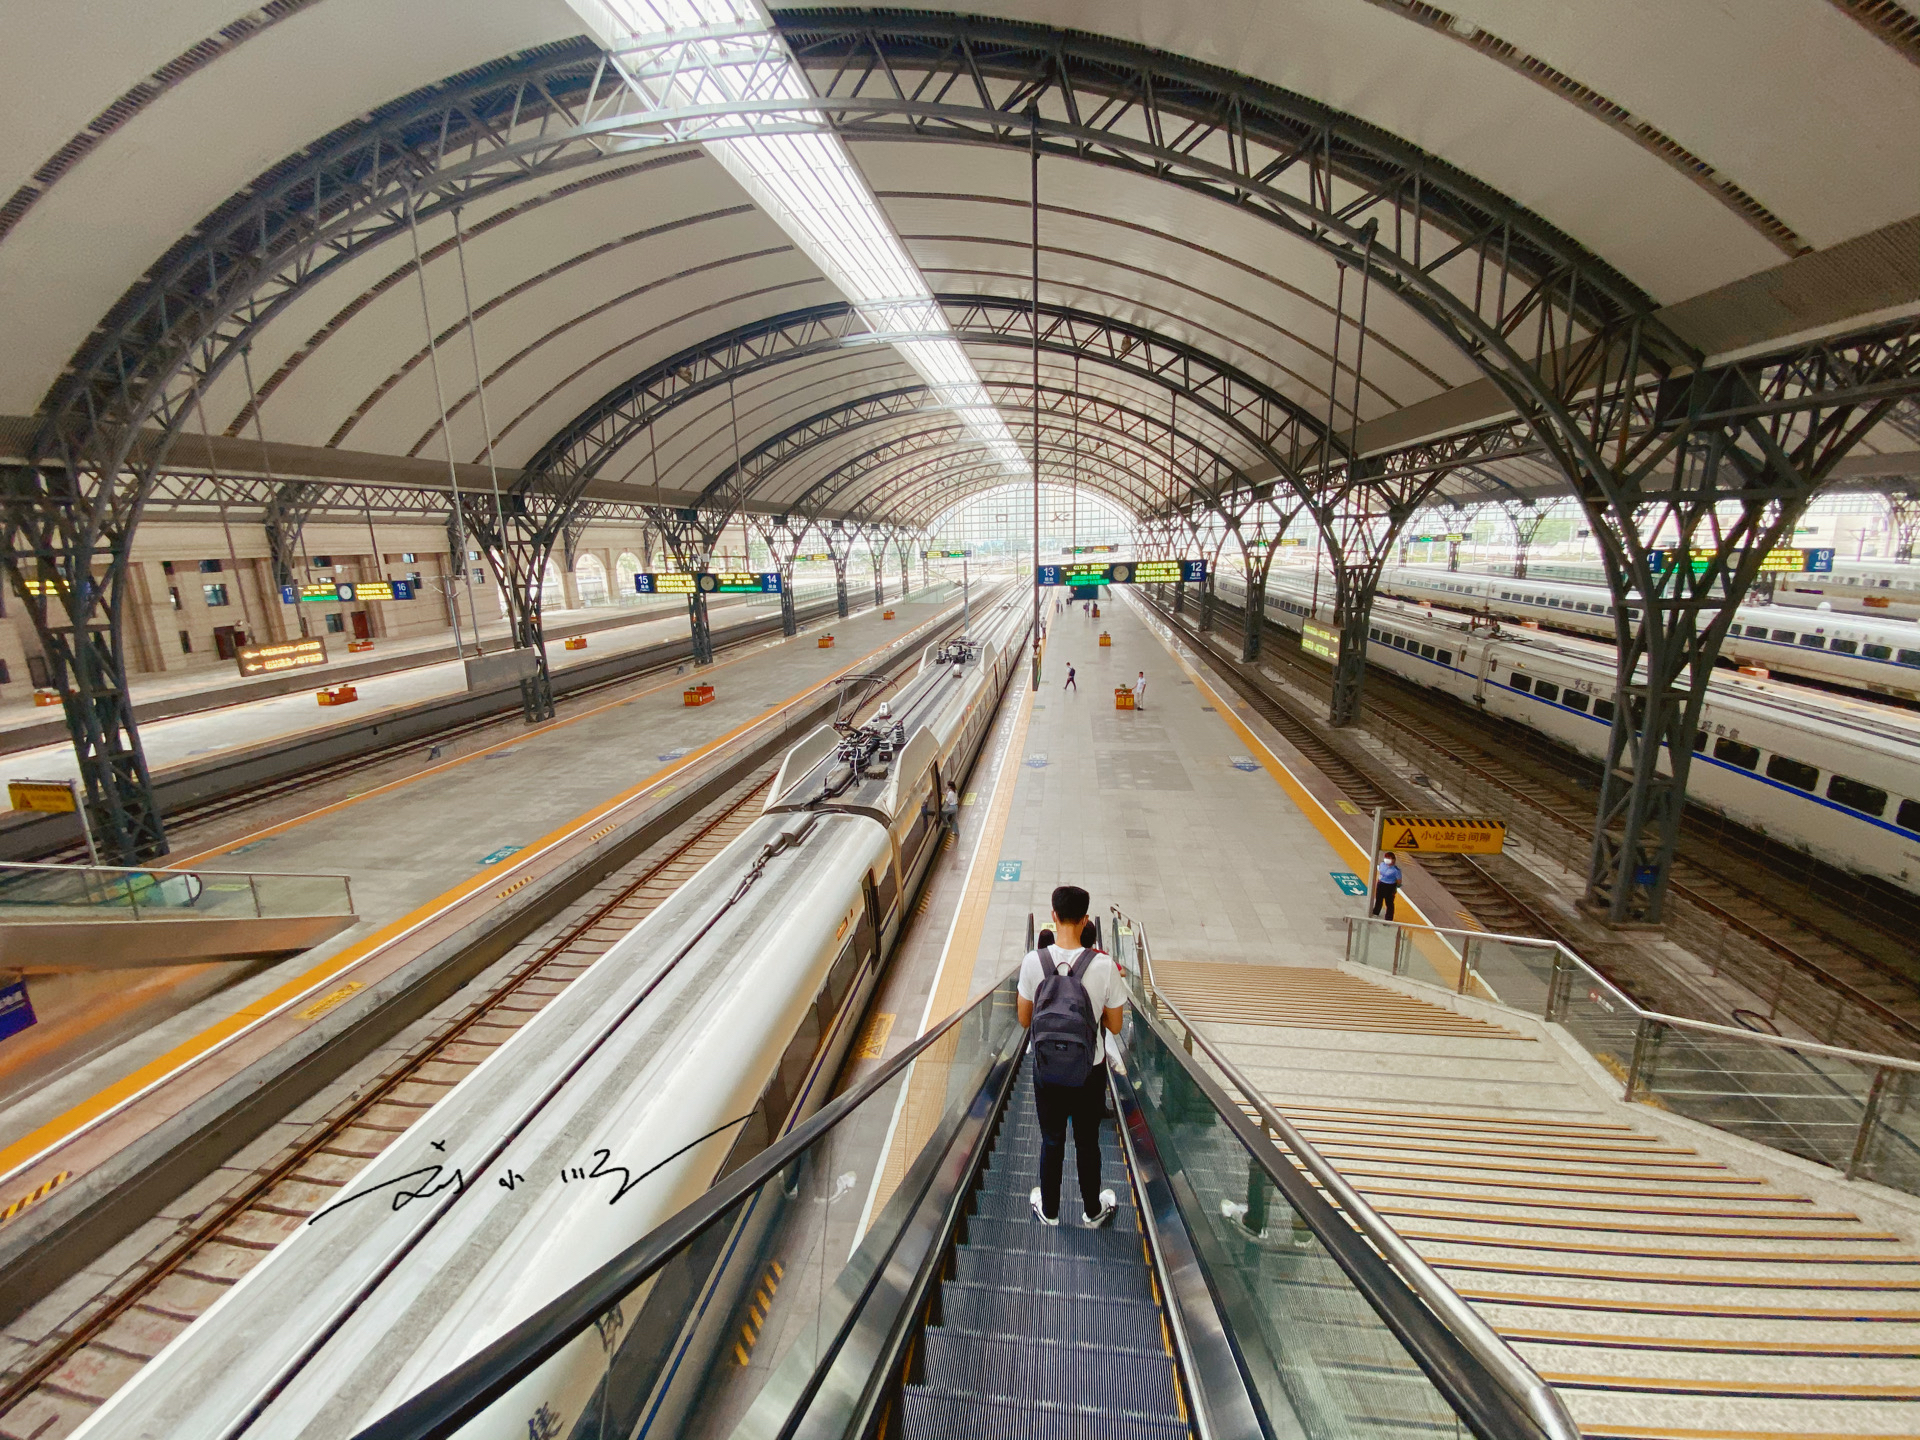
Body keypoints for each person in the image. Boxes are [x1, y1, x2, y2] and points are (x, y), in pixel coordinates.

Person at [1018, 885, 1126, 1228]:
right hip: (1089, 1071)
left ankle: (1049, 1211)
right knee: (1087, 1141)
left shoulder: (1034, 962)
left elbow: (1024, 1020)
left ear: (1053, 916)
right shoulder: (1104, 965)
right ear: (1084, 920)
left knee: (1051, 1139)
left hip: (1046, 1068)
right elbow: (1116, 1025)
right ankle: (1093, 1210)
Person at [1371, 850, 1402, 920]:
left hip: (1390, 886)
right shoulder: (1382, 864)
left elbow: (1399, 880)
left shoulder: (1396, 870)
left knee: (1389, 903)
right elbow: (1381, 873)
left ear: (1393, 860)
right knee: (1378, 899)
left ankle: (1388, 918)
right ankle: (1376, 912)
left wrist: (1396, 887)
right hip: (1381, 884)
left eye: (1389, 858)